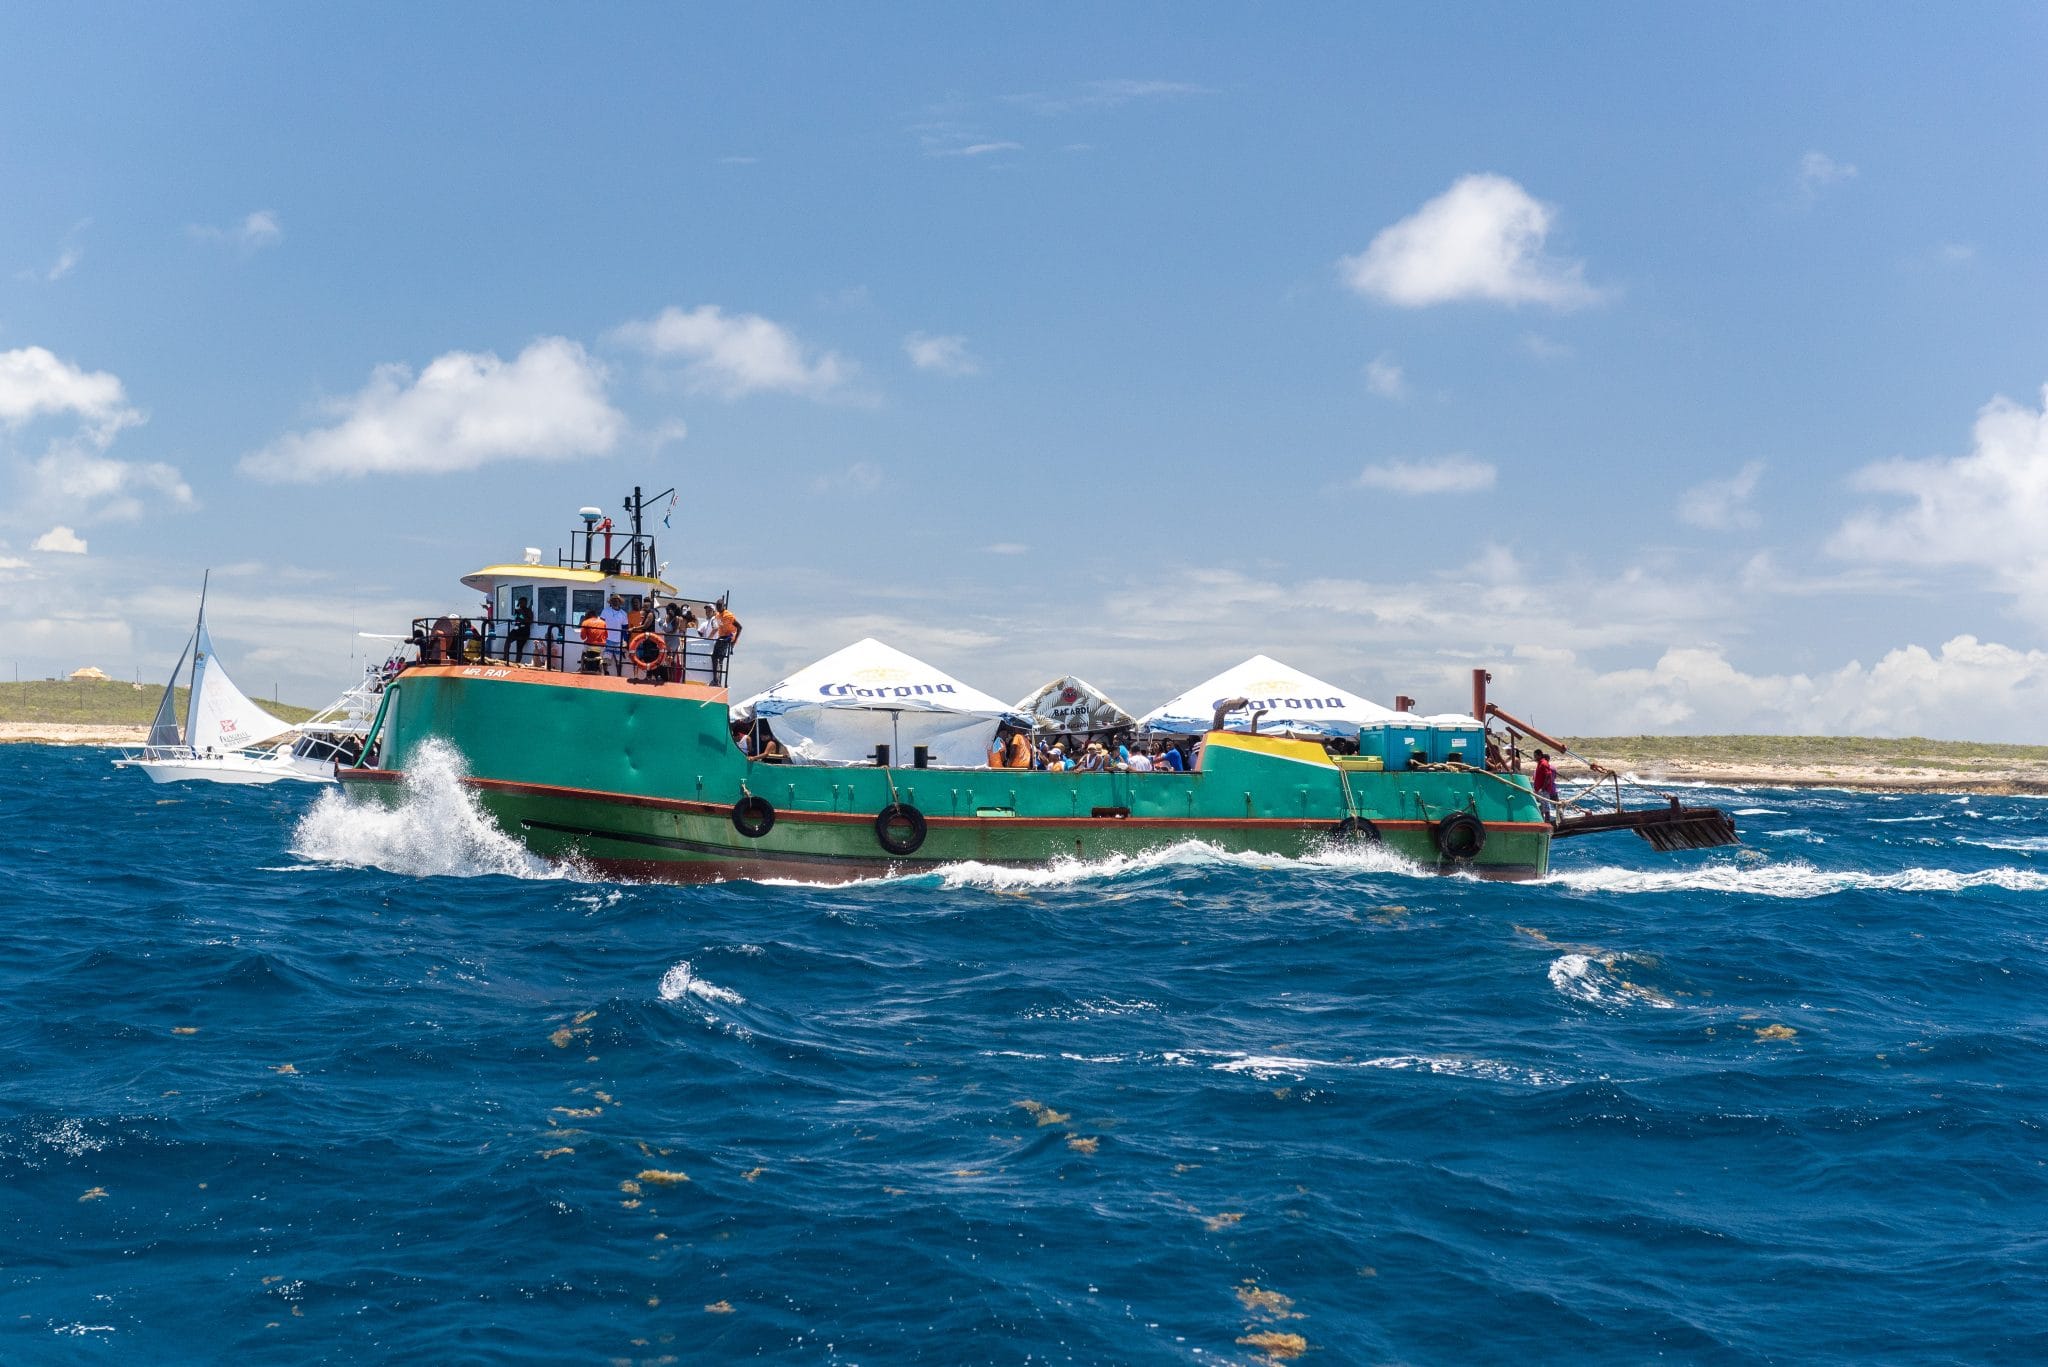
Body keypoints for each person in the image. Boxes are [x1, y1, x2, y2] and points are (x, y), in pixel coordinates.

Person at [712, 600, 741, 685]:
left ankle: (716, 679)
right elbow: (718, 626)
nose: (718, 608)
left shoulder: (728, 615)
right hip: (721, 637)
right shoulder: (717, 615)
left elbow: (739, 627)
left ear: (723, 606)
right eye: (717, 606)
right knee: (715, 657)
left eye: (720, 606)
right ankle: (716, 679)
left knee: (717, 657)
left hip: (729, 637)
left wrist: (734, 641)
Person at [601, 593, 630, 673]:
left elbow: (625, 628)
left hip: (619, 641)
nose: (615, 601)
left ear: (620, 602)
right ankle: (606, 673)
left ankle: (619, 675)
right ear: (611, 602)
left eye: (617, 600)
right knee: (605, 659)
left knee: (619, 660)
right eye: (613, 600)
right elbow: (601, 624)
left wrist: (626, 641)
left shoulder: (623, 614)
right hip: (607, 639)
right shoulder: (605, 611)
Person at [1532, 749, 1560, 823]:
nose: (1534, 757)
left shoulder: (1544, 763)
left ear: (1539, 755)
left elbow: (1548, 775)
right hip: (1539, 790)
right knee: (1541, 806)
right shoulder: (1540, 763)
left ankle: (1547, 821)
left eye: (1535, 756)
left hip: (1543, 790)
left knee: (1545, 807)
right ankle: (1542, 821)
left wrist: (1543, 788)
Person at [578, 606, 609, 672]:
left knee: (583, 652)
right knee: (603, 654)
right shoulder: (603, 623)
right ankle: (602, 669)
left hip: (589, 645)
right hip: (601, 647)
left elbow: (583, 637)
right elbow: (606, 636)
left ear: (588, 615)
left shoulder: (585, 622)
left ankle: (582, 666)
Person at [506, 597, 534, 665]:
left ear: (525, 603)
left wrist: (522, 613)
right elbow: (516, 619)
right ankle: (505, 659)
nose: (520, 604)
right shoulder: (518, 610)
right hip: (517, 629)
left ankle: (517, 663)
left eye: (522, 602)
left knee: (519, 648)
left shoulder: (529, 611)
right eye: (519, 602)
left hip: (524, 631)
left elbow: (529, 621)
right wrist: (517, 613)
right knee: (507, 641)